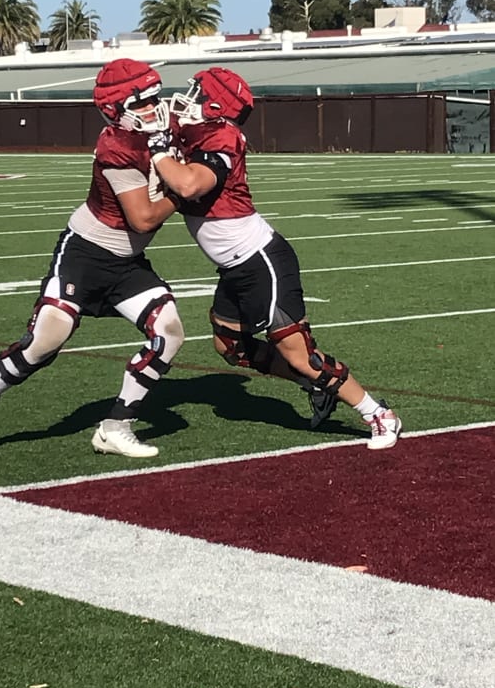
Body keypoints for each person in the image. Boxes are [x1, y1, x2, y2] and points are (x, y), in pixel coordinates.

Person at [146, 66, 401, 449]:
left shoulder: (222, 136)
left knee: (301, 356)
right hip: (235, 265)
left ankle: (378, 414)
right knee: (230, 345)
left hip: (260, 259)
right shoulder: (194, 131)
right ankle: (316, 386)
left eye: (198, 93)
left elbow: (186, 183)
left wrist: (157, 148)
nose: (188, 99)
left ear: (216, 105)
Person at [0, 58, 184, 461]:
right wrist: (185, 191)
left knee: (170, 333)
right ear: (117, 109)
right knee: (43, 345)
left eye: (155, 98)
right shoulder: (117, 146)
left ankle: (115, 426)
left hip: (127, 262)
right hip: (86, 254)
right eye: (143, 102)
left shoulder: (162, 130)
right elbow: (143, 218)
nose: (154, 109)